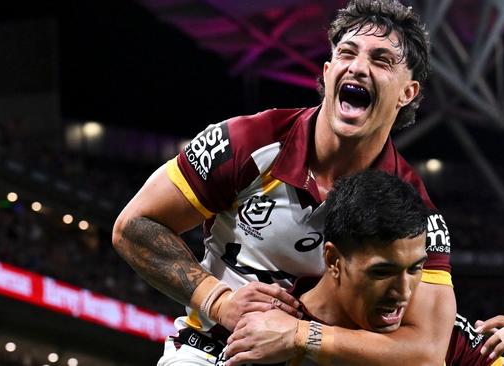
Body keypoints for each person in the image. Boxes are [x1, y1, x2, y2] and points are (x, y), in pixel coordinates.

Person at [112, 0, 455, 364]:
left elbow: (427, 352)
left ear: (408, 93)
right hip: (211, 351)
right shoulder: (247, 141)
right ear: (326, 72)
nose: (357, 68)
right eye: (347, 53)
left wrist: (300, 335)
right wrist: (218, 299)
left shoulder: (414, 212)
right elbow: (133, 226)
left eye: (381, 60)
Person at [225, 171, 504, 366]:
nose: (403, 293)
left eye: (414, 269)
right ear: (333, 261)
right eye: (382, 272)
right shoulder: (264, 339)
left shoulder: (446, 340)